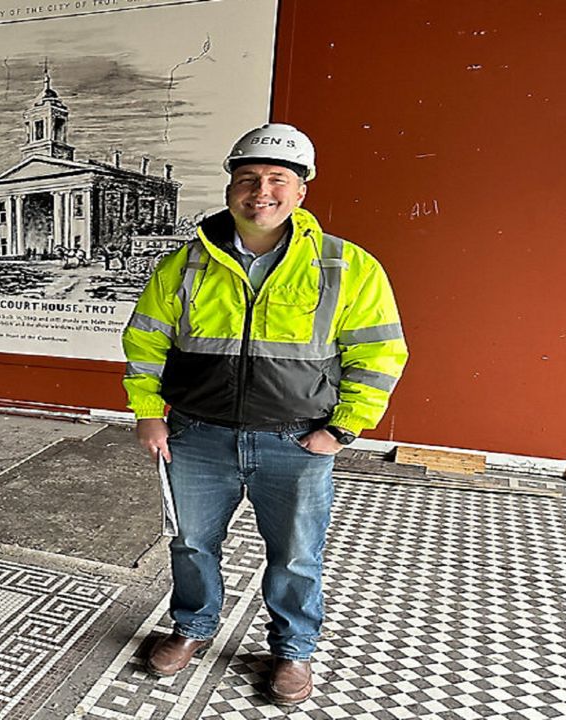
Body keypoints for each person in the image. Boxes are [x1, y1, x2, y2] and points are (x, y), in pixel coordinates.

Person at [121, 123, 408, 705]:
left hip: (295, 441)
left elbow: (380, 352)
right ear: (230, 187)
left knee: (297, 553)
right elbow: (146, 342)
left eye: (278, 179)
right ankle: (193, 628)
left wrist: (343, 428)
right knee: (191, 544)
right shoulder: (185, 265)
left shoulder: (346, 266)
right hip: (198, 436)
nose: (262, 192)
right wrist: (149, 413)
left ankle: (293, 650)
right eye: (248, 179)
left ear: (302, 191)